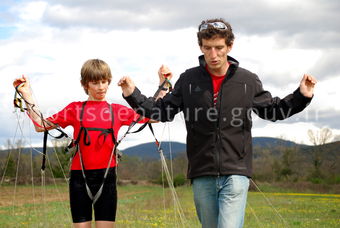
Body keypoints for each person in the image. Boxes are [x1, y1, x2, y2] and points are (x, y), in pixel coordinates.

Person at [118, 18, 317, 228]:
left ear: (230, 46)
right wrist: (132, 94)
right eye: (208, 48)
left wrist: (301, 96)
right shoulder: (189, 80)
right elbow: (161, 111)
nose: (213, 55)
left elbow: (273, 110)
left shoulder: (247, 81)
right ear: (201, 47)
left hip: (236, 171)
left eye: (219, 48)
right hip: (202, 170)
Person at [13, 59, 170, 228]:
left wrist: (164, 84)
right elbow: (41, 125)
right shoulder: (75, 109)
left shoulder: (117, 110)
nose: (101, 87)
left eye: (104, 82)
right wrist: (26, 94)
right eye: (95, 83)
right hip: (79, 178)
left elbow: (154, 116)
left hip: (107, 177)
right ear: (85, 84)